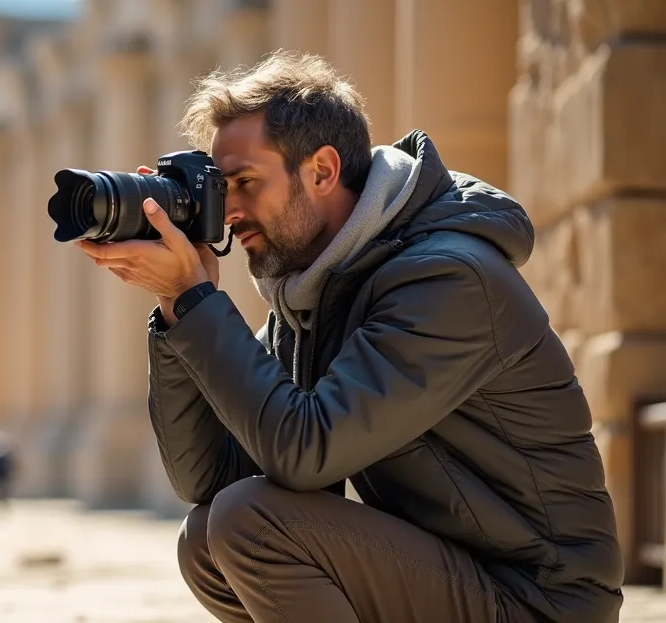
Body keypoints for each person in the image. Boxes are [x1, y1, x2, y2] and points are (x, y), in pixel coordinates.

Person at [76, 51, 622, 623]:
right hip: (463, 576)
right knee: (206, 537)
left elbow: (304, 452)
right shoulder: (314, 293)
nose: (228, 212)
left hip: (542, 599)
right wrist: (178, 309)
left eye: (245, 183)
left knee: (250, 522)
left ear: (322, 171)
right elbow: (208, 478)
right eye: (220, 187)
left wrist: (197, 299)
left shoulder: (447, 279)